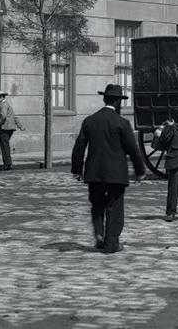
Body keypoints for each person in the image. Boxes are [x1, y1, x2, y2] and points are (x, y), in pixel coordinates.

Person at [69, 84, 146, 254]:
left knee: (97, 205)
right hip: (116, 174)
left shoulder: (90, 121)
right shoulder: (122, 123)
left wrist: (77, 170)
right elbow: (133, 149)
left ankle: (99, 233)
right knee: (114, 208)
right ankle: (111, 244)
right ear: (118, 102)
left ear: (104, 99)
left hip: (94, 173)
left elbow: (79, 147)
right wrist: (140, 171)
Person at [0, 90, 23, 171]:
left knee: (4, 146)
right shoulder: (8, 105)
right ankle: (8, 163)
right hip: (10, 128)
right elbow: (14, 117)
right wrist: (20, 126)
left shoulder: (2, 105)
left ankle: (7, 164)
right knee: (6, 145)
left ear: (3, 97)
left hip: (4, 127)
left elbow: (3, 116)